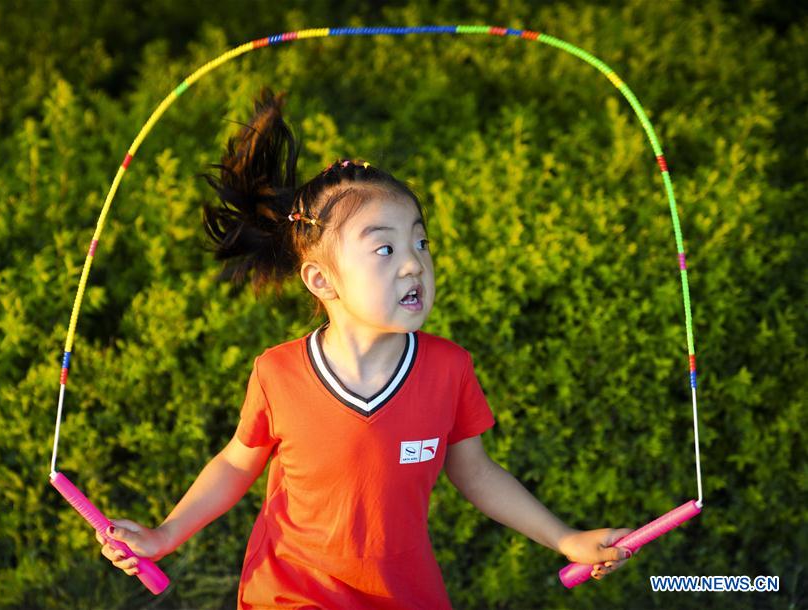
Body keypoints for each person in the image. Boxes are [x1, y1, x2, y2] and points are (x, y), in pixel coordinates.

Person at [96, 86, 635, 608]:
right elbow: (237, 464)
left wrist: (566, 539)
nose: (413, 263)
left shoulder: (449, 368)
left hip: (404, 591)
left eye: (421, 242)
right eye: (384, 247)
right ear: (321, 280)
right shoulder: (277, 373)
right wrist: (164, 535)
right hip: (293, 592)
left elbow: (475, 472)